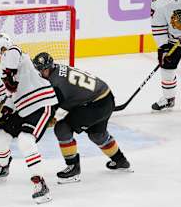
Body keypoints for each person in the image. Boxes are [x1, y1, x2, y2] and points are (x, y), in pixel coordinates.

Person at [32, 52, 132, 184]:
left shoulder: (56, 83)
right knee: (97, 134)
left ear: (49, 68)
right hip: (105, 98)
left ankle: (73, 168)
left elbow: (50, 109)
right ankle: (121, 161)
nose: (40, 72)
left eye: (42, 70)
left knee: (62, 128)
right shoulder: (56, 70)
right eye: (38, 69)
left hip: (96, 104)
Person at [0, 33, 56, 204]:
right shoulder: (2, 71)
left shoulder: (16, 54)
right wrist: (1, 114)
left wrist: (9, 72)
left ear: (2, 49)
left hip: (41, 103)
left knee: (25, 140)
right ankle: (2, 168)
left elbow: (13, 51)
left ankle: (40, 184)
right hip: (23, 107)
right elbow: (11, 96)